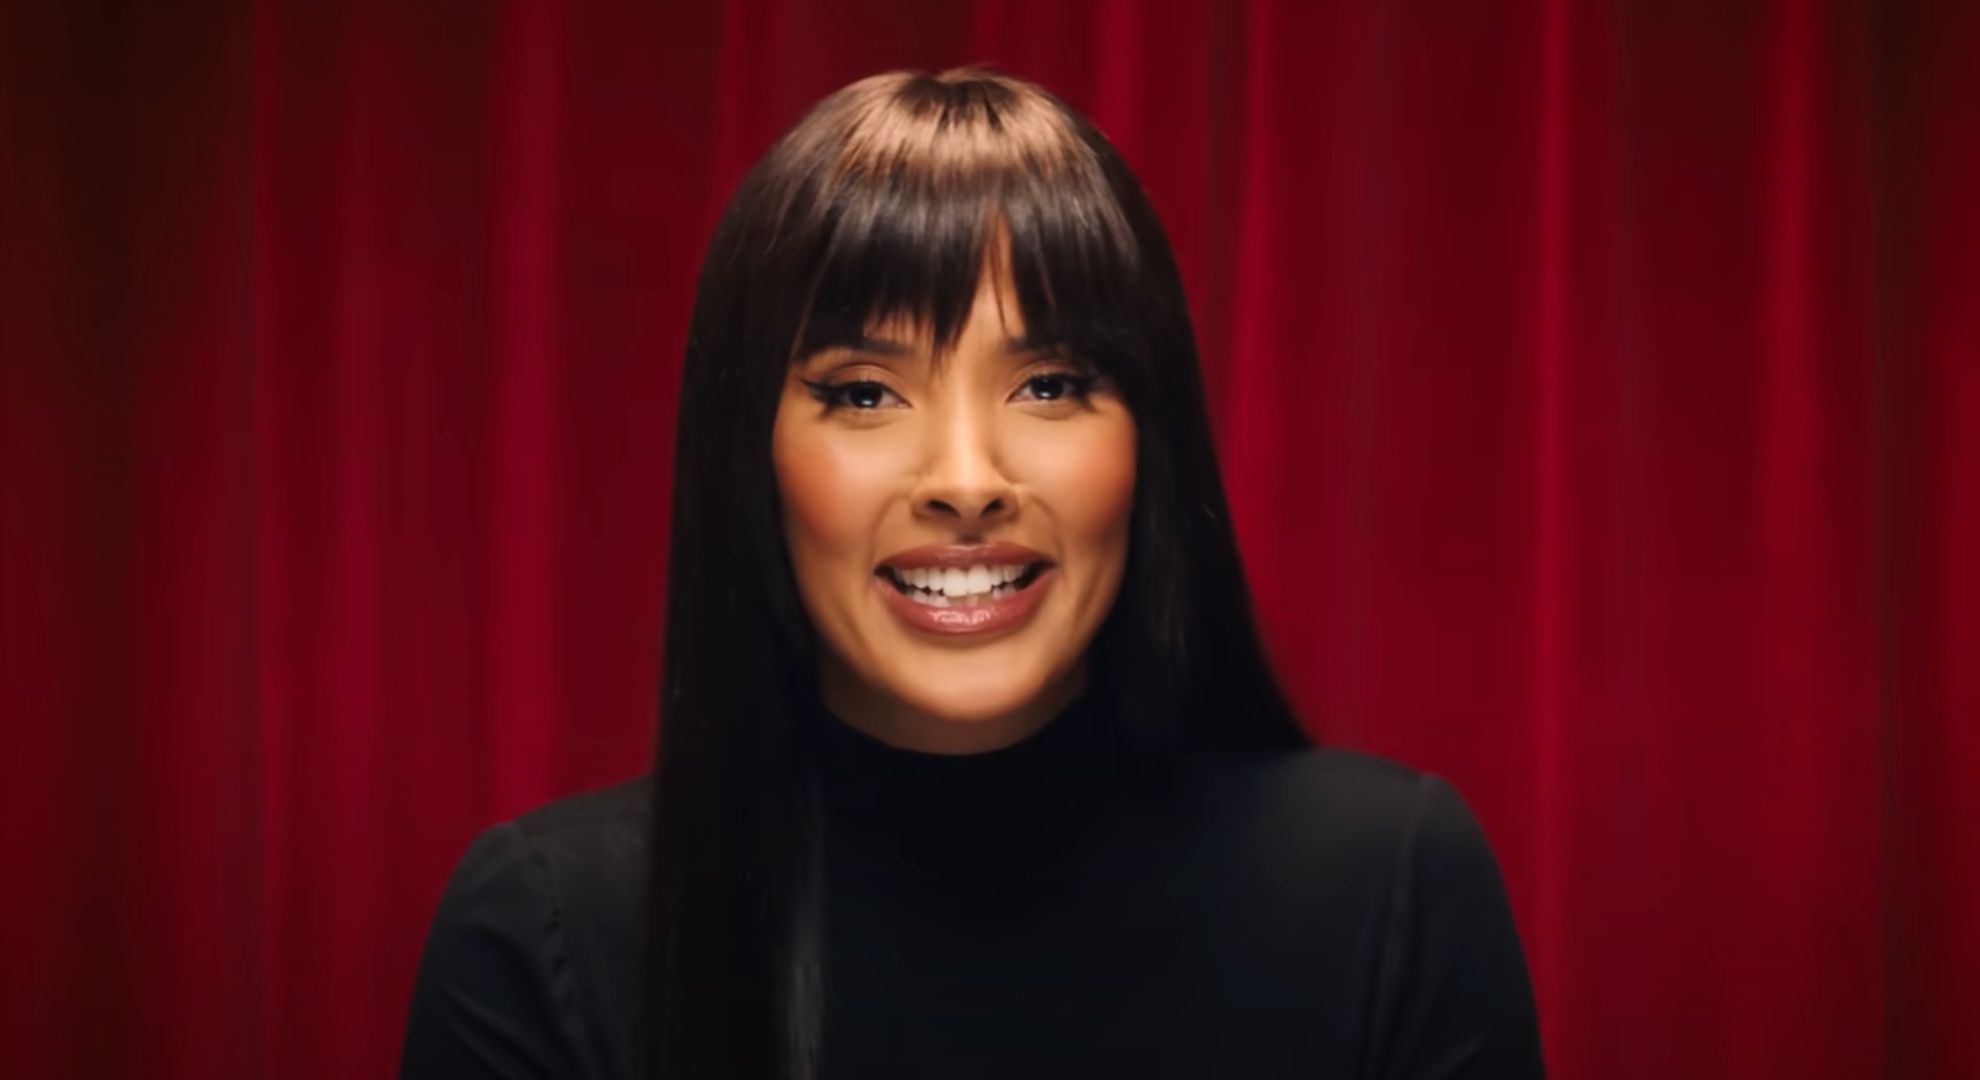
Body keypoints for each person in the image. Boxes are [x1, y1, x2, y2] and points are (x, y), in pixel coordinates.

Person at [400, 66, 1543, 1080]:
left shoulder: (1388, 887)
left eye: (1048, 385)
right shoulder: (548, 931)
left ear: (1150, 442)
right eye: (864, 392)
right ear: (749, 454)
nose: (965, 479)